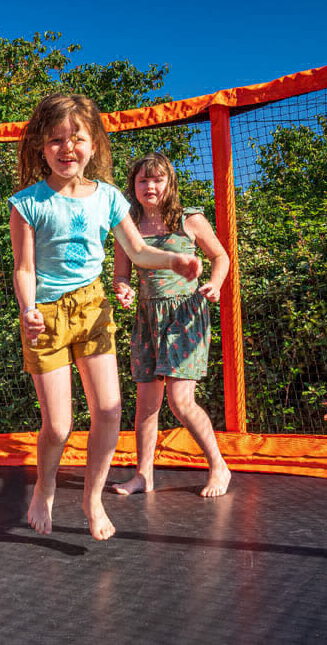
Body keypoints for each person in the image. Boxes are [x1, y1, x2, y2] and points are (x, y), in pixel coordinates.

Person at [9, 94, 201, 540]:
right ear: (42, 147)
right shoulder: (28, 203)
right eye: (56, 140)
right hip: (47, 316)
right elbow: (24, 268)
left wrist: (174, 261)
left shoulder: (109, 197)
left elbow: (138, 250)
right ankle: (45, 486)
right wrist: (27, 308)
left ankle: (92, 498)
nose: (67, 148)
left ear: (93, 145)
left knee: (110, 410)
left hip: (93, 308)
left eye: (76, 139)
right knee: (58, 426)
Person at [110, 152, 232, 498]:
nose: (150, 186)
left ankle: (219, 466)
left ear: (170, 183)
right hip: (148, 317)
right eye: (143, 180)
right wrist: (123, 289)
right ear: (133, 186)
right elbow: (121, 274)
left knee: (180, 400)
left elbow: (219, 256)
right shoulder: (128, 226)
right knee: (146, 402)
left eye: (157, 179)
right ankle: (143, 476)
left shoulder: (189, 219)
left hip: (184, 316)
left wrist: (215, 284)